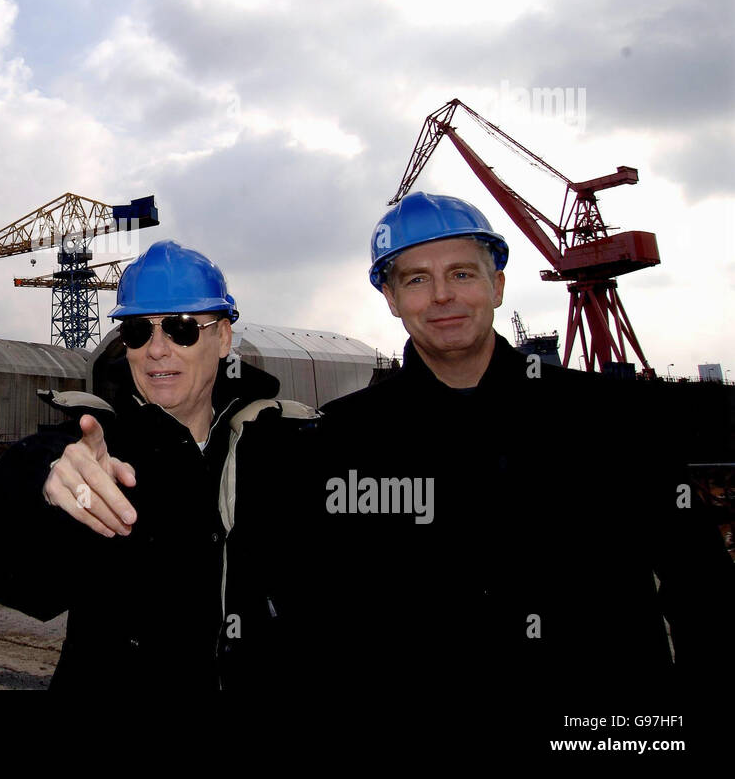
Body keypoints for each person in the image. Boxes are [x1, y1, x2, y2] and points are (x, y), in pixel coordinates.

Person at [313, 191, 734, 697]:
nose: (443, 295)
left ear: (498, 286)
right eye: (417, 279)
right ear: (392, 298)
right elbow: (330, 616)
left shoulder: (613, 418)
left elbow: (703, 590)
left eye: (463, 274)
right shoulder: (342, 439)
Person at [0, 239, 318, 690]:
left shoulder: (282, 447)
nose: (157, 349)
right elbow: (5, 569)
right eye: (137, 331)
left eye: (181, 328)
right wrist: (43, 487)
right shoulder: (96, 447)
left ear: (223, 337)